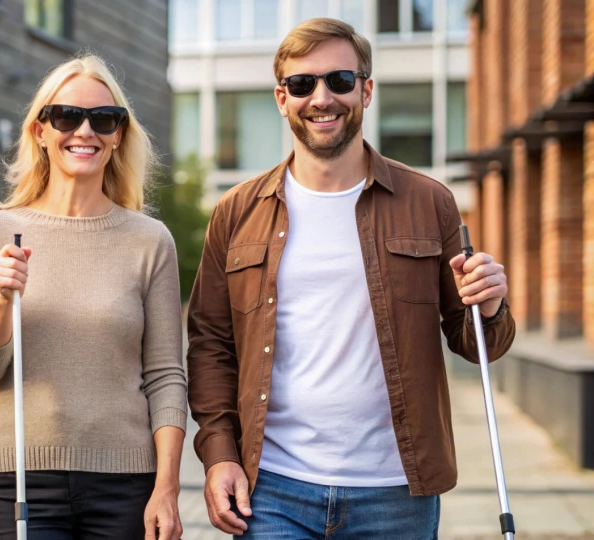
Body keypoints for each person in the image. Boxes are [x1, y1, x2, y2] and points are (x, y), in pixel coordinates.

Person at [186, 18, 516, 539]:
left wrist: (490, 304)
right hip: (272, 489)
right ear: (281, 98)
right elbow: (210, 345)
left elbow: (476, 344)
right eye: (302, 84)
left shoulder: (429, 203)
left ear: (365, 90)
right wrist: (218, 455)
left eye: (339, 81)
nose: (322, 97)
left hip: (396, 493)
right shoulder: (237, 212)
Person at [0, 54, 188, 539]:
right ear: (40, 130)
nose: (86, 131)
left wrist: (167, 486)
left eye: (104, 119)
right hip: (21, 479)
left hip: (126, 483)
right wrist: (1, 298)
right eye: (67, 116)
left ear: (119, 134)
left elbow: (166, 375)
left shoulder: (150, 241)